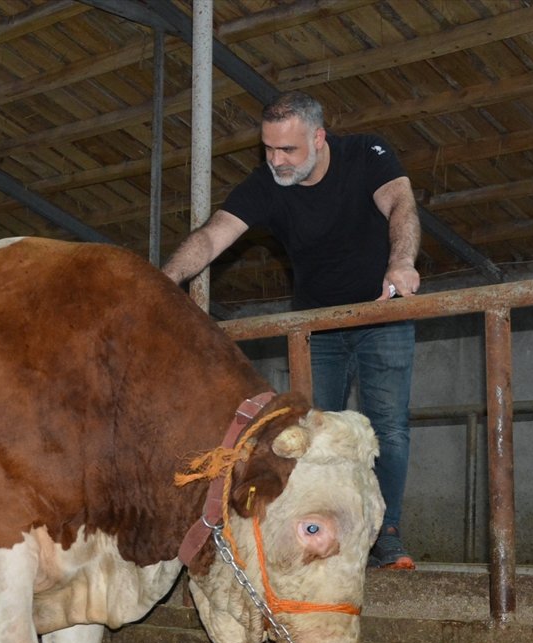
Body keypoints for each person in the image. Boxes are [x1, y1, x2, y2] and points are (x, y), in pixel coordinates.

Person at [161, 90, 420, 570]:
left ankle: (386, 532)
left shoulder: (366, 155)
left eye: (288, 150)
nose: (276, 160)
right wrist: (164, 281)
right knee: (312, 432)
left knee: (389, 428)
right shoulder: (268, 184)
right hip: (314, 326)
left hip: (381, 312)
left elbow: (401, 203)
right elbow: (214, 234)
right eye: (268, 149)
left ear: (319, 138)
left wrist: (401, 263)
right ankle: (322, 533)